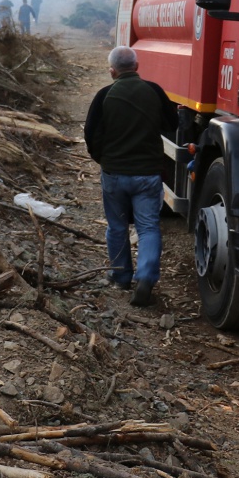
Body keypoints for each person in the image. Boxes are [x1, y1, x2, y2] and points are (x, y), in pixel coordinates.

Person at [83, 46, 175, 306]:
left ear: (112, 71)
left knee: (117, 226)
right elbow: (172, 125)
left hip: (114, 174)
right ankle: (145, 277)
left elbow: (91, 135)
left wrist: (105, 160)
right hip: (147, 175)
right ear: (137, 66)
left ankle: (121, 276)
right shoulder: (154, 91)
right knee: (147, 227)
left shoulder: (105, 95)